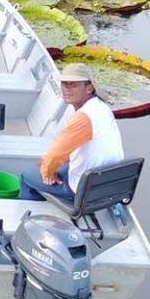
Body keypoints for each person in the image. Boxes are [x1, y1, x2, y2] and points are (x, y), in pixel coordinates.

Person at [18, 63, 124, 201]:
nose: (66, 89)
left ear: (89, 88)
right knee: (50, 163)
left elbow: (54, 156)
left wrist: (48, 172)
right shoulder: (101, 107)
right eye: (64, 84)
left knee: (27, 176)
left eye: (73, 85)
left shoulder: (84, 117)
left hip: (84, 188)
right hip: (106, 182)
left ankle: (32, 213)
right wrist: (48, 162)